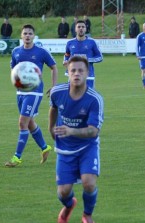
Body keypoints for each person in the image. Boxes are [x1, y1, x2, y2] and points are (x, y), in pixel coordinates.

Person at [49, 56, 104, 223]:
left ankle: (87, 214)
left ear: (87, 73)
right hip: (65, 149)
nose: (76, 74)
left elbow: (94, 131)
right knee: (63, 192)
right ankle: (69, 205)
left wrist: (71, 130)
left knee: (89, 184)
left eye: (81, 70)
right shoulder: (57, 92)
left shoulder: (94, 99)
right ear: (68, 73)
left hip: (87, 147)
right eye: (73, 70)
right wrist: (51, 128)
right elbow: (53, 108)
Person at [5, 24, 58, 167]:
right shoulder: (16, 51)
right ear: (21, 36)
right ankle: (44, 147)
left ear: (34, 36)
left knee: (22, 122)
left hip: (34, 92)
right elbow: (13, 69)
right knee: (29, 123)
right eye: (25, 33)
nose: (27, 36)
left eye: (30, 33)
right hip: (20, 92)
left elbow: (53, 67)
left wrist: (53, 86)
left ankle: (17, 157)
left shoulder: (41, 52)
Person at [63, 20, 103, 88]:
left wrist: (88, 59)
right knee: (73, 96)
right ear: (75, 29)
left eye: (83, 27)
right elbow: (67, 55)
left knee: (89, 97)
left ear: (85, 29)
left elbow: (100, 57)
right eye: (79, 27)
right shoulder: (70, 43)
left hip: (88, 75)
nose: (81, 28)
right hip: (73, 75)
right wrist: (65, 61)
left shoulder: (92, 42)